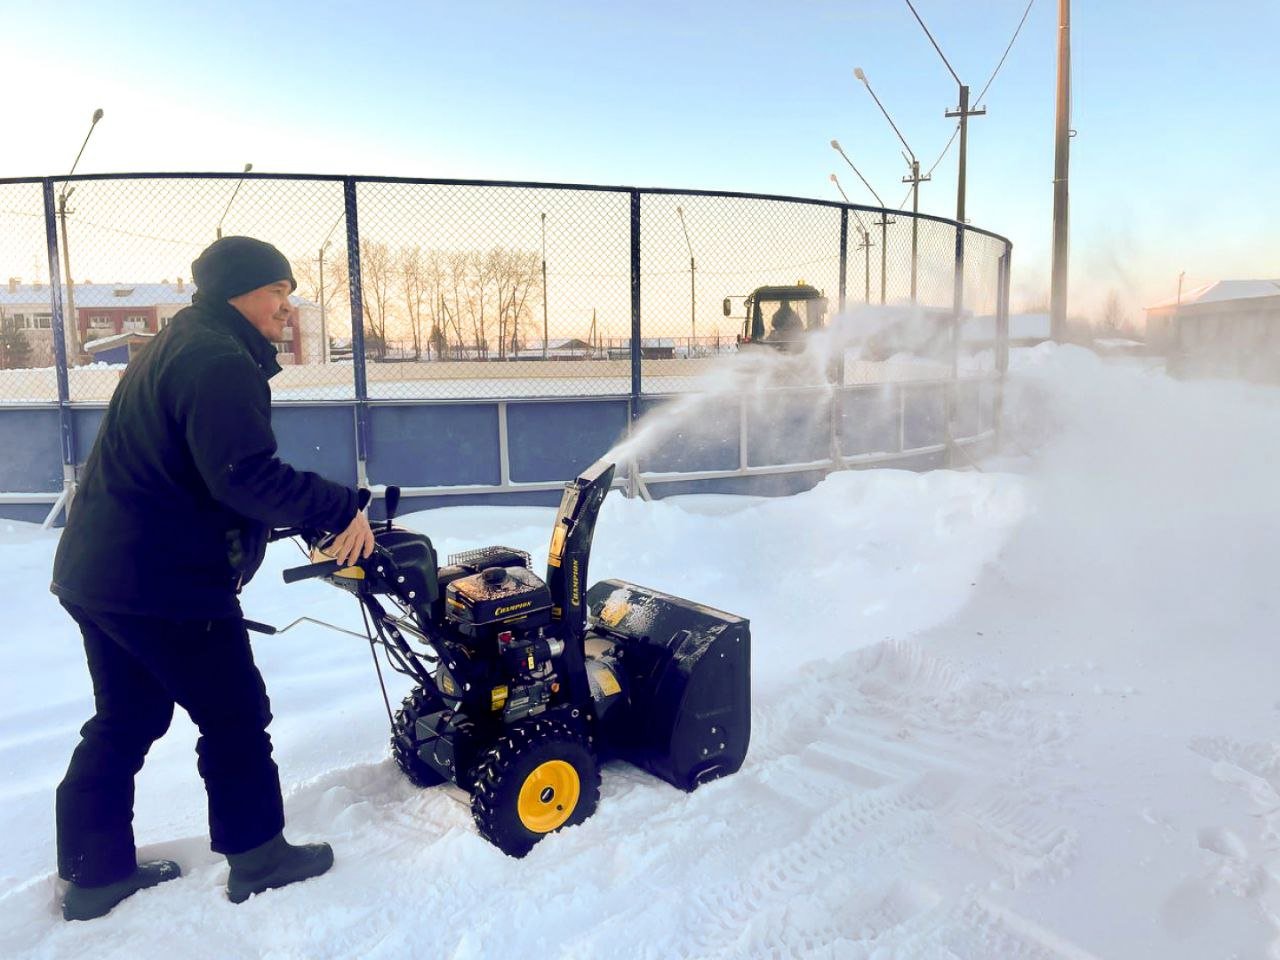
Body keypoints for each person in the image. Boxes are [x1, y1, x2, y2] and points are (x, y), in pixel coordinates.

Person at [50, 236, 376, 920]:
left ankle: (93, 871)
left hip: (102, 571)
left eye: (290, 296)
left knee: (126, 717)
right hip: (162, 581)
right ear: (238, 292)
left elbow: (201, 473)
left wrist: (302, 518)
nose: (288, 310)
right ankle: (259, 855)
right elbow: (242, 476)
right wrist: (338, 505)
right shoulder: (217, 360)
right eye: (277, 295)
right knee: (234, 715)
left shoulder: (180, 343)